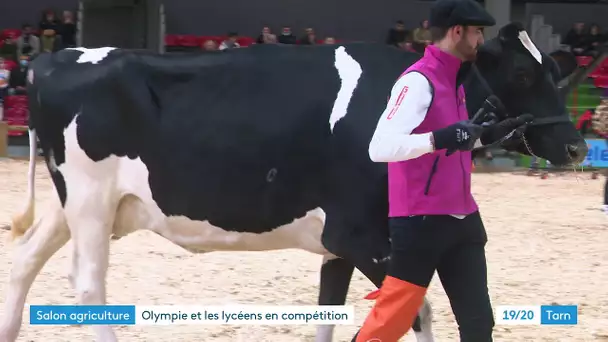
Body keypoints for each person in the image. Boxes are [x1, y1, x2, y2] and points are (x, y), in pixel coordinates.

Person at [352, 0, 534, 341]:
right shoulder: (418, 81)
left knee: (479, 323)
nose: (481, 40)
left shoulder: (456, 83)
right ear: (457, 32)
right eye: (478, 32)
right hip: (420, 223)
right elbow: (380, 147)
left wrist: (488, 137)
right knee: (392, 322)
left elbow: (453, 144)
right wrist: (441, 138)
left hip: (464, 219)